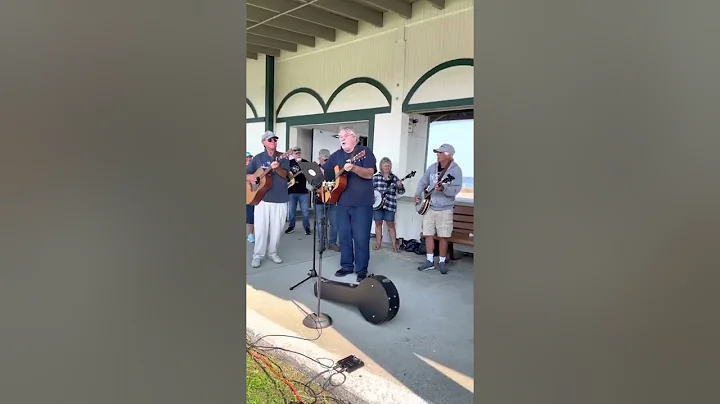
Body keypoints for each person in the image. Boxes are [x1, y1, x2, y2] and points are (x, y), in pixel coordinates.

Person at [321, 128, 377, 283]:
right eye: (340, 136)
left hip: (362, 204)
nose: (342, 138)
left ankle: (361, 269)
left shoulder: (364, 152)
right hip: (342, 203)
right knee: (344, 237)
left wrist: (354, 168)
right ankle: (346, 266)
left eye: (345, 135)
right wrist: (323, 182)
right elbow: (326, 172)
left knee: (360, 238)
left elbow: (370, 173)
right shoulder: (336, 155)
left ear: (355, 138)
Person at [414, 144, 463, 274]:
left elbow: (456, 189)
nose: (437, 154)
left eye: (440, 153)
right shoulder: (432, 168)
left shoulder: (456, 170)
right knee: (428, 234)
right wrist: (418, 195)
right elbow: (423, 182)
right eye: (437, 153)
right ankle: (429, 261)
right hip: (430, 206)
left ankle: (441, 262)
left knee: (443, 236)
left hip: (445, 209)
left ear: (449, 155)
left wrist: (443, 189)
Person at [246, 131, 291, 268]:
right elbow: (247, 173)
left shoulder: (283, 157)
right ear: (264, 143)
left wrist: (276, 169)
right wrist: (248, 177)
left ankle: (273, 253)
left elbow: (285, 175)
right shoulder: (258, 158)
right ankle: (258, 255)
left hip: (280, 198)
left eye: (275, 139)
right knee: (260, 229)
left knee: (277, 229)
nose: (274, 141)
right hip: (262, 199)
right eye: (270, 140)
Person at [372, 157, 405, 252]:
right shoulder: (375, 177)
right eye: (385, 165)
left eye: (389, 166)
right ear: (381, 167)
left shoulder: (394, 178)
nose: (387, 167)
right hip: (377, 205)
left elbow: (402, 191)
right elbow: (369, 190)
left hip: (390, 204)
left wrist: (400, 186)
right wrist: (373, 198)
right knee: (378, 223)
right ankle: (378, 244)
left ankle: (394, 245)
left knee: (390, 224)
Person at [314, 149, 339, 251]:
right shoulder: (315, 170)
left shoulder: (334, 170)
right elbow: (308, 185)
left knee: (335, 223)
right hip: (319, 201)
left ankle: (332, 243)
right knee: (320, 223)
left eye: (327, 160)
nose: (325, 162)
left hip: (332, 200)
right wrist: (315, 188)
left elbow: (338, 184)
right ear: (319, 159)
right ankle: (321, 243)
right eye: (323, 159)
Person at [285, 147, 312, 235]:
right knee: (291, 211)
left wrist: (306, 173)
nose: (298, 154)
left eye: (299, 152)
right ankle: (291, 227)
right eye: (296, 152)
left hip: (303, 191)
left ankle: (307, 228)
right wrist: (289, 179)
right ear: (292, 154)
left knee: (305, 211)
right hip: (292, 191)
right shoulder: (289, 163)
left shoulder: (306, 163)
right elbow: (285, 175)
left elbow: (311, 175)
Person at [246, 152, 255, 243]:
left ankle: (251, 234)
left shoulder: (253, 170)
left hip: (251, 196)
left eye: (250, 158)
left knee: (250, 216)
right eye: (247, 158)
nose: (248, 160)